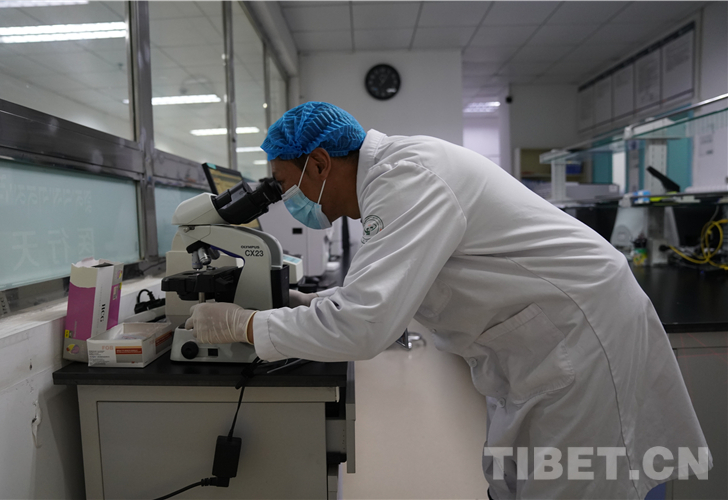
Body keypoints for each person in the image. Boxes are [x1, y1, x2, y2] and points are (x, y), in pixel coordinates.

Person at [185, 102, 711, 499]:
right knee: (516, 478)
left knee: (576, 481)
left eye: (284, 185)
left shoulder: (407, 178)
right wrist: (308, 303)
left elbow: (363, 327)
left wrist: (241, 324)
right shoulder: (393, 179)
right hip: (537, 341)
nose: (286, 200)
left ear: (320, 162)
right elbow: (388, 286)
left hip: (583, 335)